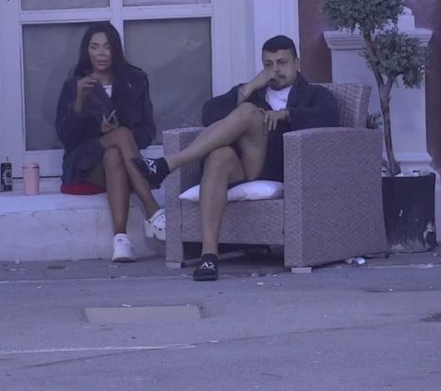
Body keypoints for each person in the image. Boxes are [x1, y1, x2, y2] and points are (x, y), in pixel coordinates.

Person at [132, 35, 338, 280]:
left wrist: (287, 115)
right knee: (218, 156)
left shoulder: (314, 94)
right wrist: (248, 87)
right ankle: (209, 257)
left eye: (282, 63)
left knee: (249, 112)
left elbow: (329, 117)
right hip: (244, 164)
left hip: (281, 164)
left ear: (297, 63)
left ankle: (168, 163)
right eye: (268, 64)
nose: (275, 70)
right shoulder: (251, 92)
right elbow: (209, 114)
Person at [55, 22, 166, 263]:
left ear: (115, 49)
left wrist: (117, 133)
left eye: (106, 47)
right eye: (94, 47)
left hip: (121, 162)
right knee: (119, 137)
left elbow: (147, 131)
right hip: (85, 164)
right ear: (87, 51)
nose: (101, 53)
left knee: (116, 148)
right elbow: (65, 135)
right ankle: (152, 209)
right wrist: (80, 101)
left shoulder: (135, 81)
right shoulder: (75, 85)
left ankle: (121, 240)